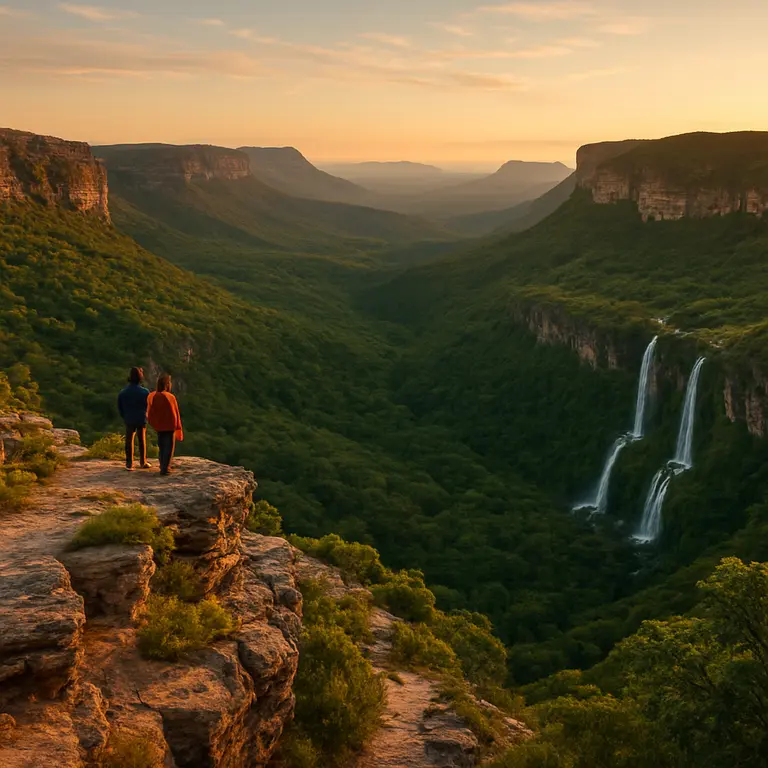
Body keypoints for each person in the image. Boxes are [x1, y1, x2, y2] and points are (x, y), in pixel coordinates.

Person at [147, 374, 183, 476]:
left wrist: (154, 423)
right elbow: (176, 413)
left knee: (162, 446)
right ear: (167, 385)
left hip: (159, 425)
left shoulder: (152, 396)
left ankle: (162, 465)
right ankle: (165, 468)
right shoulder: (170, 397)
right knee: (169, 446)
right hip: (170, 425)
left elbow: (149, 412)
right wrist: (178, 427)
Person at [117, 367, 151, 472]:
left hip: (129, 418)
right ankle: (143, 462)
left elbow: (120, 407)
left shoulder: (123, 392)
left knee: (129, 440)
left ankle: (129, 463)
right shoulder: (145, 392)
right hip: (141, 418)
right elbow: (148, 406)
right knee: (142, 440)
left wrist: (125, 416)